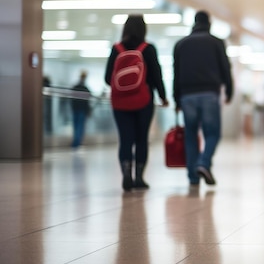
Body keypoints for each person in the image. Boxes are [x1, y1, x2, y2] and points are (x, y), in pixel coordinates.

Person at [105, 15, 169, 191]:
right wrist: (163, 96)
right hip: (143, 100)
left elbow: (107, 78)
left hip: (120, 103)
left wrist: (123, 87)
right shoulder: (148, 49)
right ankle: (139, 177)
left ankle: (126, 173)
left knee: (125, 139)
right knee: (141, 139)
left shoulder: (116, 49)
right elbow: (157, 75)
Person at [173, 10, 233, 187]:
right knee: (212, 133)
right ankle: (203, 163)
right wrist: (229, 90)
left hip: (187, 95)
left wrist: (176, 99)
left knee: (190, 135)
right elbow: (225, 68)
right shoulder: (216, 42)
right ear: (209, 23)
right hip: (209, 94)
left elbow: (176, 73)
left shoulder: (181, 44)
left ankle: (193, 176)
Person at [70, 70, 92, 148]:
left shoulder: (75, 87)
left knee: (76, 125)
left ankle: (75, 142)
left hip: (76, 108)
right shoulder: (85, 88)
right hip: (81, 109)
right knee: (80, 126)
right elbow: (87, 101)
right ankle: (77, 142)